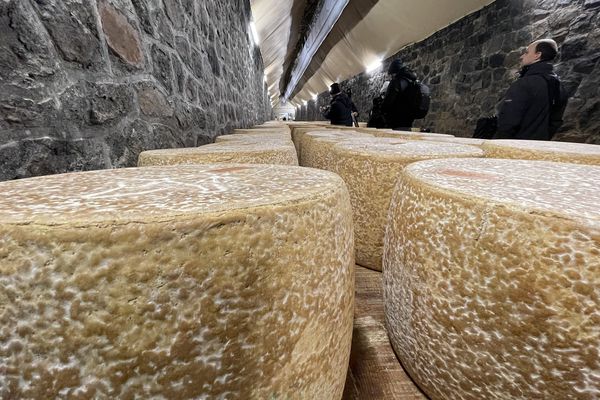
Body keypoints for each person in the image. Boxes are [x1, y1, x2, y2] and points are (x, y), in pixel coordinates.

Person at [495, 39, 567, 140]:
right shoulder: (559, 85)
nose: (522, 56)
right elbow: (556, 121)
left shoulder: (525, 83)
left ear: (537, 55)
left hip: (515, 146)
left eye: (526, 52)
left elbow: (508, 121)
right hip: (540, 146)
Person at [382, 59, 419, 130]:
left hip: (395, 122)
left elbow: (388, 103)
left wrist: (382, 110)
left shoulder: (396, 82)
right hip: (408, 122)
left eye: (391, 74)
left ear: (394, 72)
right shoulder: (412, 81)